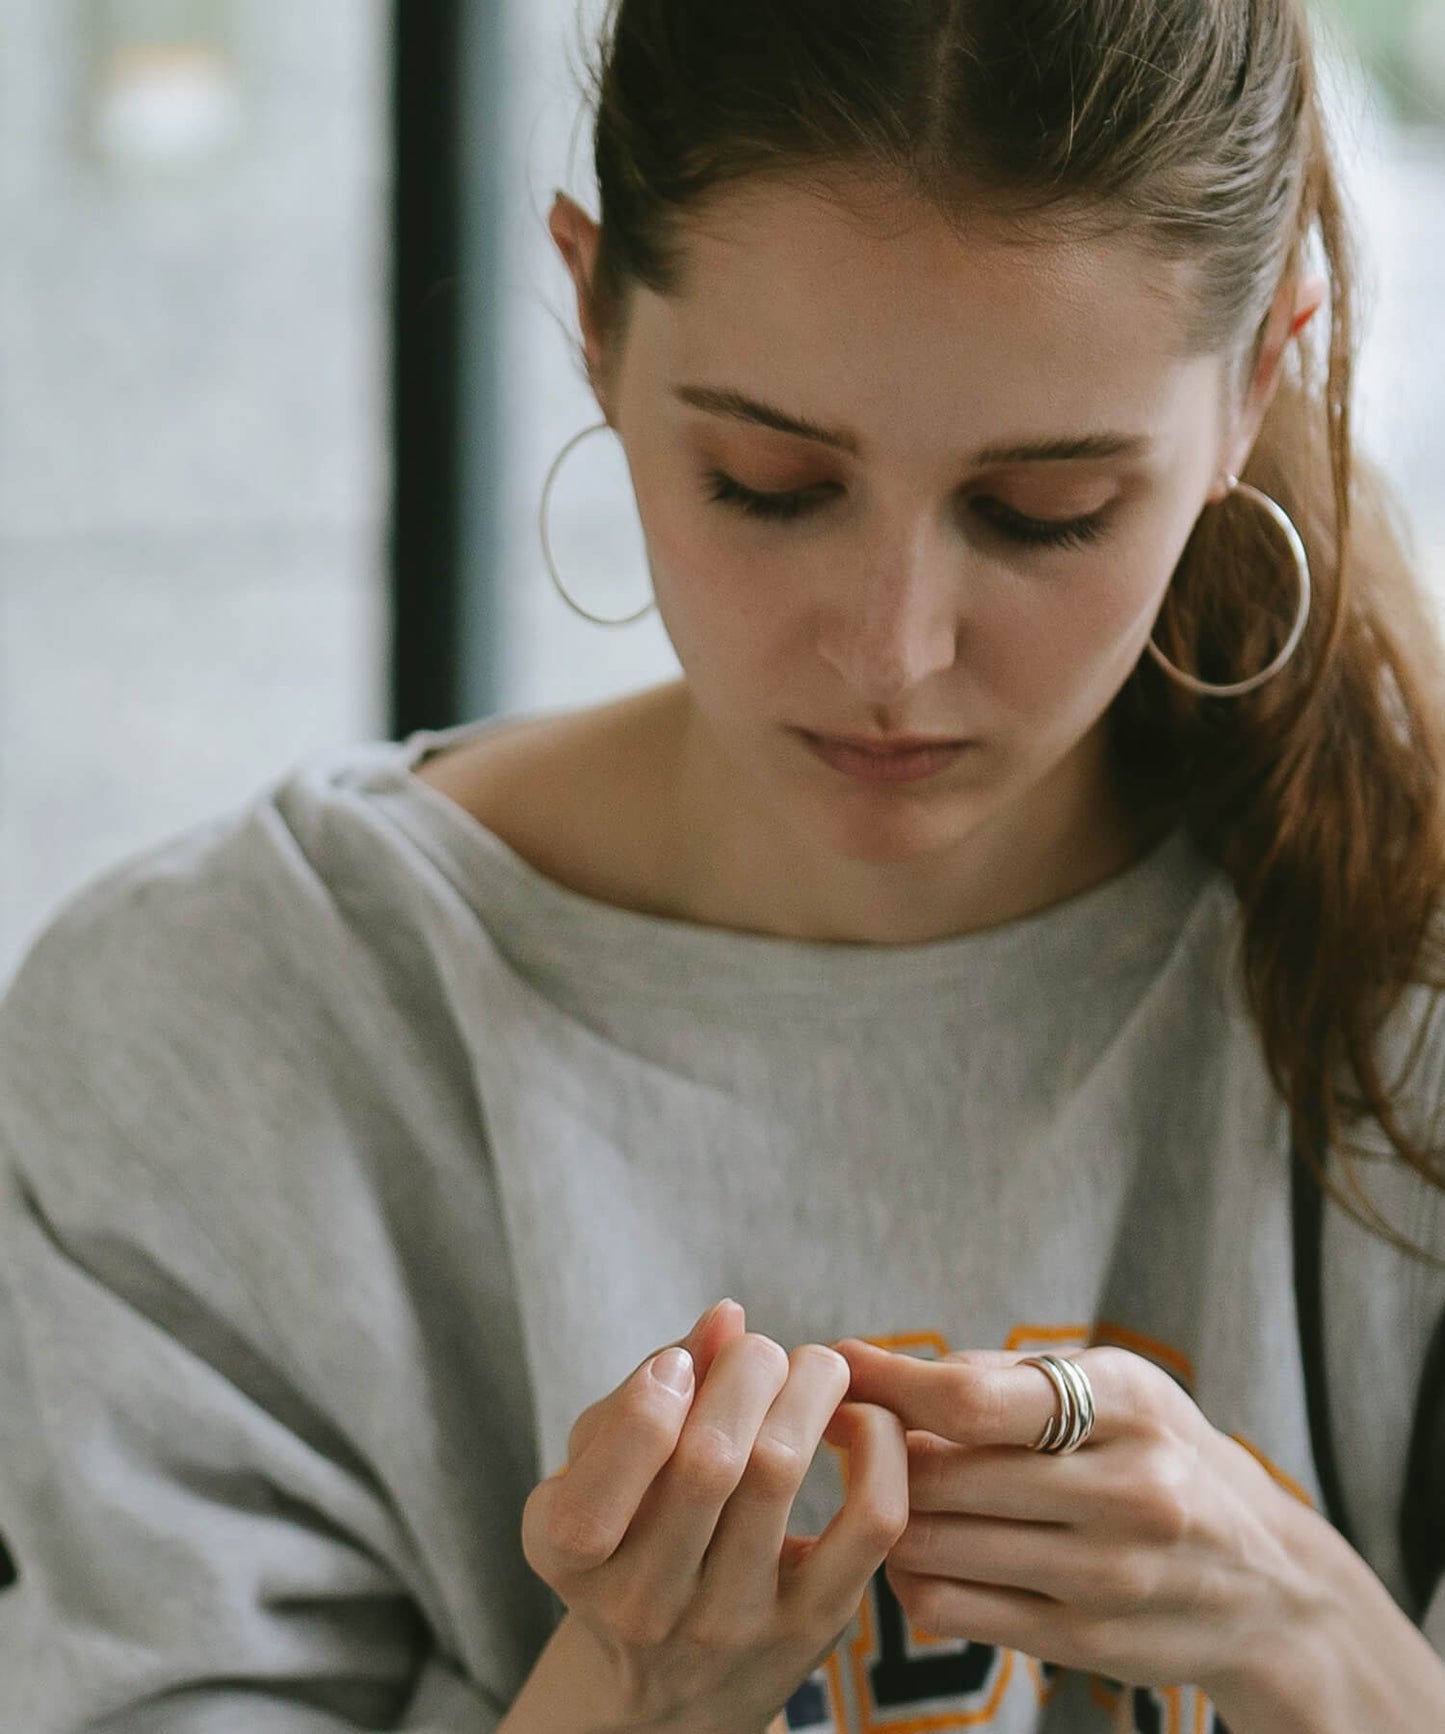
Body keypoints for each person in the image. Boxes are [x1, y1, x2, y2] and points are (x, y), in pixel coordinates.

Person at [3, 0, 1445, 1728]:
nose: (894, 650)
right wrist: (620, 1691)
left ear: (1257, 378)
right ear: (593, 315)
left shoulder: (1406, 979)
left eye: (1044, 509)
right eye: (767, 481)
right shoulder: (221, 1031)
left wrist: (1307, 1632)